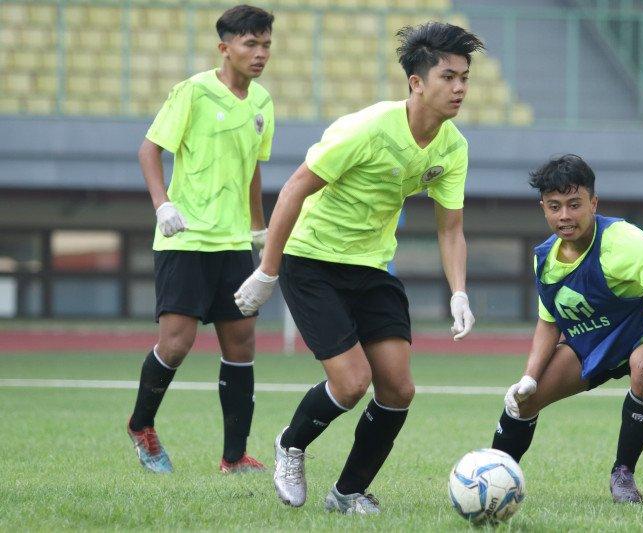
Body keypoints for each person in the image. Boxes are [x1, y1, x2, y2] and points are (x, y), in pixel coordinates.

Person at [233, 22, 484, 514]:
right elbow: (295, 188)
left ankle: (347, 492)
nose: (459, 88)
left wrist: (460, 293)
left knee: (398, 388)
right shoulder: (367, 128)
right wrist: (267, 271)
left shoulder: (453, 147)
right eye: (449, 76)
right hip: (313, 261)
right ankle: (291, 443)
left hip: (371, 267)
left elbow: (450, 228)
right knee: (350, 383)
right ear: (417, 83)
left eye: (465, 78)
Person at [491, 154, 643, 503]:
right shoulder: (545, 258)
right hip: (595, 342)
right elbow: (549, 323)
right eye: (555, 206)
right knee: (523, 402)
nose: (565, 216)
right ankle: (493, 476)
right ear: (543, 207)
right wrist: (529, 377)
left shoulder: (622, 241)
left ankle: (623, 474)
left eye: (575, 204)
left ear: (593, 202)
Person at [126, 5, 275, 474]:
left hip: (233, 244)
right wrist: (163, 205)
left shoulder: (263, 103)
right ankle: (141, 426)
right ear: (225, 47)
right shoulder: (192, 91)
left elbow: (254, 168)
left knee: (242, 345)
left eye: (266, 44)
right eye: (250, 44)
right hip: (185, 238)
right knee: (176, 344)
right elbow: (149, 149)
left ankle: (233, 458)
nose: (260, 53)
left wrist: (259, 229)